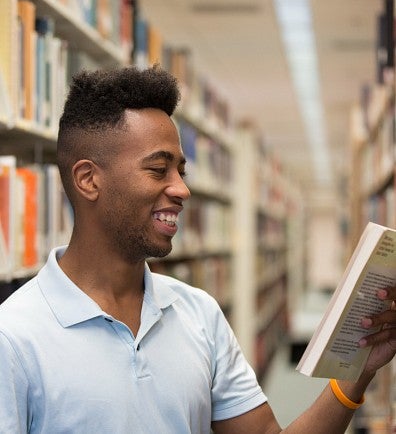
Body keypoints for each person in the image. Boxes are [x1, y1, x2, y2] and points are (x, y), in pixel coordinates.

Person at [0, 65, 395, 434]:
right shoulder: (14, 337)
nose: (182, 189)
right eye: (158, 169)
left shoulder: (199, 314)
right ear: (88, 179)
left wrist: (356, 372)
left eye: (181, 172)